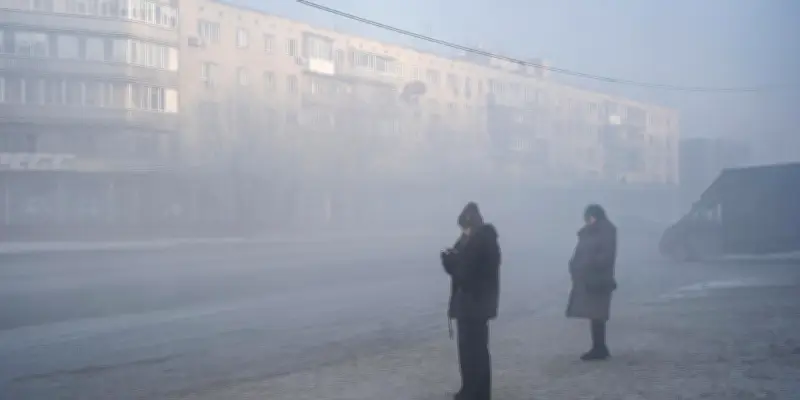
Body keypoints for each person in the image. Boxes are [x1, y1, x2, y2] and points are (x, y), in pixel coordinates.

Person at [440, 202, 501, 400]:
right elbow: (464, 268)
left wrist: (449, 263)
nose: (463, 232)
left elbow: (466, 275)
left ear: (471, 224)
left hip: (474, 304)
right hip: (474, 305)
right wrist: (453, 260)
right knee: (473, 351)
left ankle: (475, 392)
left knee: (473, 352)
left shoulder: (479, 242)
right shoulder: (479, 241)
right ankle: (473, 390)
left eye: (465, 228)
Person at [566, 204, 618, 361]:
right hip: (591, 278)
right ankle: (599, 346)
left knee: (597, 314)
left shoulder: (605, 231)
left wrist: (587, 264)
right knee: (595, 315)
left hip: (598, 279)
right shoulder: (592, 231)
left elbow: (606, 256)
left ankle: (599, 347)